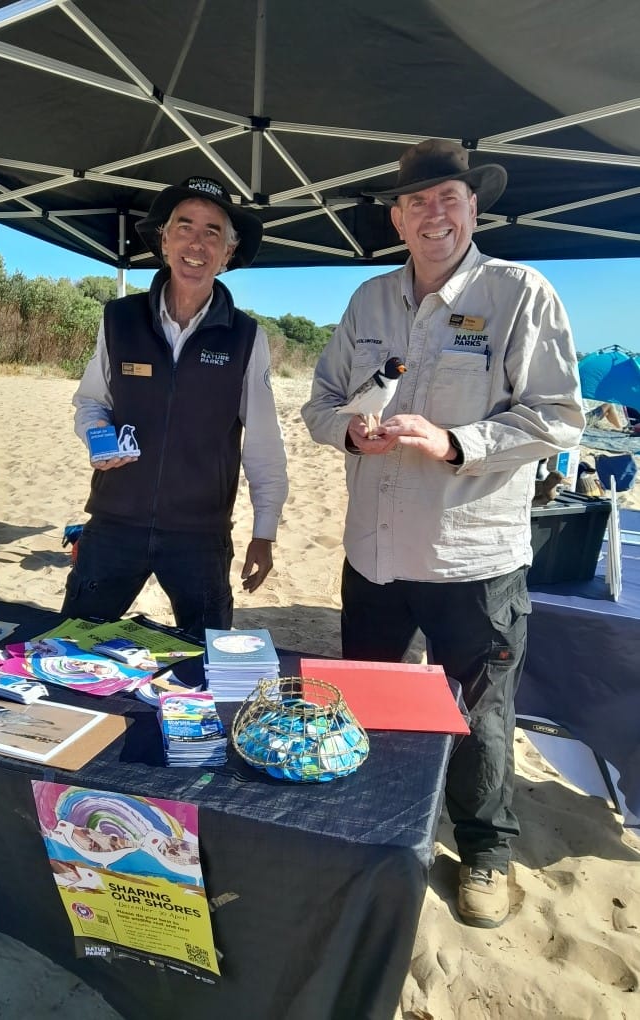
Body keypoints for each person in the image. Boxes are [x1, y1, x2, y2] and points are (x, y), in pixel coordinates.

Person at [301, 139, 585, 929]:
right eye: (417, 201)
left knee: (479, 714)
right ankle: (376, 826)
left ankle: (484, 852)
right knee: (367, 696)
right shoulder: (367, 300)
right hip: (374, 553)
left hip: (472, 555)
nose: (434, 214)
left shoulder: (517, 291)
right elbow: (320, 404)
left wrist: (460, 443)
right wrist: (347, 433)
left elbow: (560, 418)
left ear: (471, 207)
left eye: (448, 198)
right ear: (395, 217)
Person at [63, 176, 288, 639]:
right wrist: (98, 436)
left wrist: (264, 533)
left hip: (200, 537)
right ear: (163, 240)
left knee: (204, 663)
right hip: (113, 525)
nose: (196, 243)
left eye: (212, 232)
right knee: (72, 646)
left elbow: (264, 443)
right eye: (184, 227)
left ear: (228, 253)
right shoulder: (119, 320)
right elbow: (90, 403)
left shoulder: (246, 337)